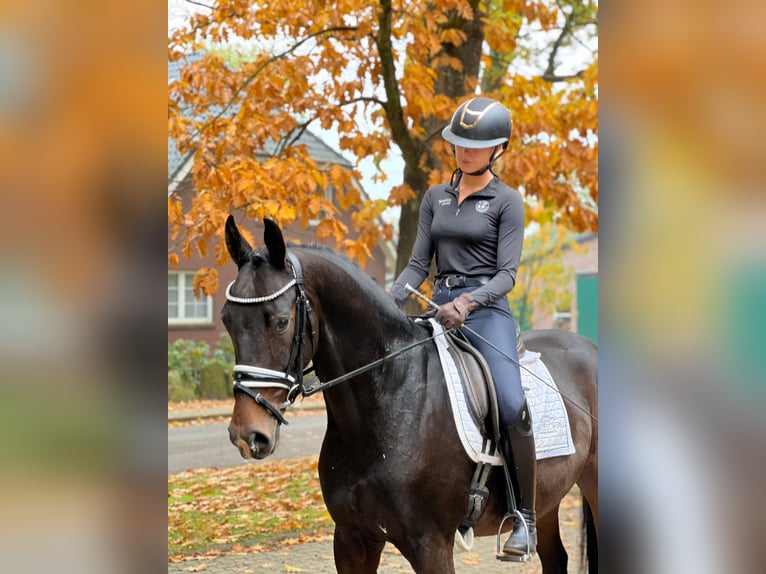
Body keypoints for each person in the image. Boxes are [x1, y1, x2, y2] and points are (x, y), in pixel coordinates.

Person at [389, 96, 536, 558]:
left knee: (511, 404)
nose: (464, 153)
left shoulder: (507, 202)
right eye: (458, 144)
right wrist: (392, 296)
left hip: (486, 311)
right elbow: (418, 264)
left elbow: (507, 275)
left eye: (476, 146)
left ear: (498, 150)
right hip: (437, 307)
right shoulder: (436, 197)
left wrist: (469, 302)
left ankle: (524, 517)